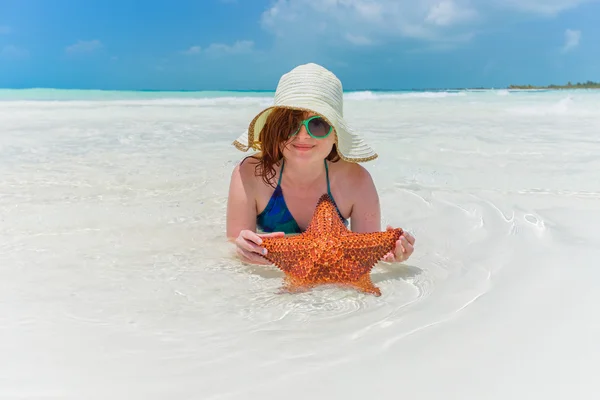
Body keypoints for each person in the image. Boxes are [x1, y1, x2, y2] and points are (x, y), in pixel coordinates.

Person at [226, 63, 415, 265]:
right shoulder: (250, 174)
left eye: (317, 124)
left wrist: (389, 257)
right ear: (275, 130)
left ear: (336, 134)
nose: (302, 135)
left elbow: (364, 260)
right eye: (289, 124)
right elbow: (230, 244)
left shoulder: (356, 181)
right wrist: (241, 250)